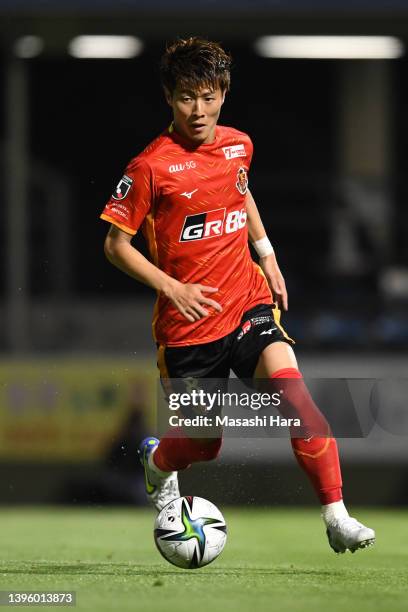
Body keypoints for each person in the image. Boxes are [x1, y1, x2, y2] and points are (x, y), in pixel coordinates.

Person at [100, 37, 375, 554]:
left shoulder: (238, 144)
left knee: (297, 400)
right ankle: (156, 460)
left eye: (207, 96)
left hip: (247, 304)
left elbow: (240, 191)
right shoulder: (150, 167)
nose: (197, 109)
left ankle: (337, 515)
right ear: (169, 96)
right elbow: (116, 245)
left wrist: (267, 254)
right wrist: (172, 286)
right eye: (186, 97)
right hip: (188, 327)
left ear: (223, 93)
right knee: (203, 447)